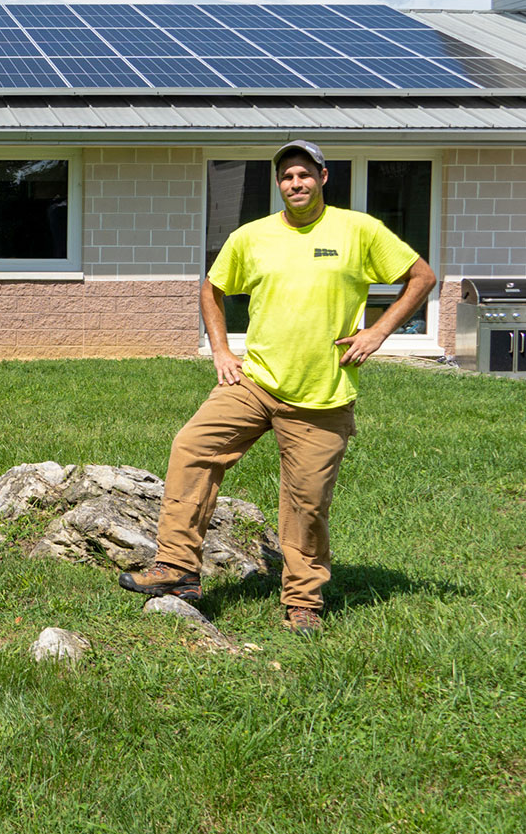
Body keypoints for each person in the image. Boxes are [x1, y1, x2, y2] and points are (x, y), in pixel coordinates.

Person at [118, 140, 436, 633]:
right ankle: (178, 570)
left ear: (323, 178)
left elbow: (421, 276)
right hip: (256, 382)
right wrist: (221, 351)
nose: (296, 184)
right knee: (193, 447)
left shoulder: (358, 230)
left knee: (306, 503)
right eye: (287, 177)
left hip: (322, 395)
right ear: (278, 184)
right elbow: (213, 287)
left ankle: (302, 601)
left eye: (304, 175)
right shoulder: (253, 236)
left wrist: (377, 332)